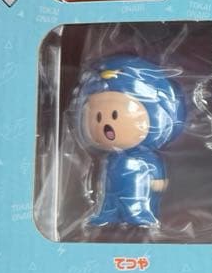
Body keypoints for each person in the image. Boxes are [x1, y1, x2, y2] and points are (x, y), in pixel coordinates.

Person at [76, 55, 186, 227]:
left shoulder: (146, 157)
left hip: (139, 193)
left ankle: (138, 214)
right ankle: (107, 212)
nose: (106, 125)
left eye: (115, 115)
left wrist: (158, 181)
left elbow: (154, 168)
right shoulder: (109, 159)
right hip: (110, 190)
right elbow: (103, 178)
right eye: (97, 117)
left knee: (136, 203)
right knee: (109, 201)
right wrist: (100, 184)